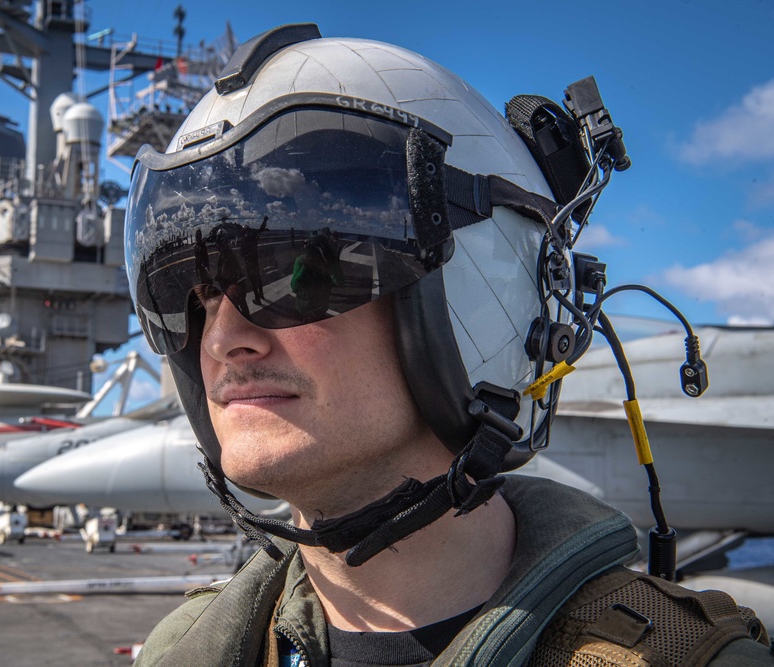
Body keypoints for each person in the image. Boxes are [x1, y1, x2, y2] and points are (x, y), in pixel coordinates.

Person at [124, 23, 773, 667]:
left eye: (299, 275)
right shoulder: (184, 647)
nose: (223, 339)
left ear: (479, 289)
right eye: (192, 294)